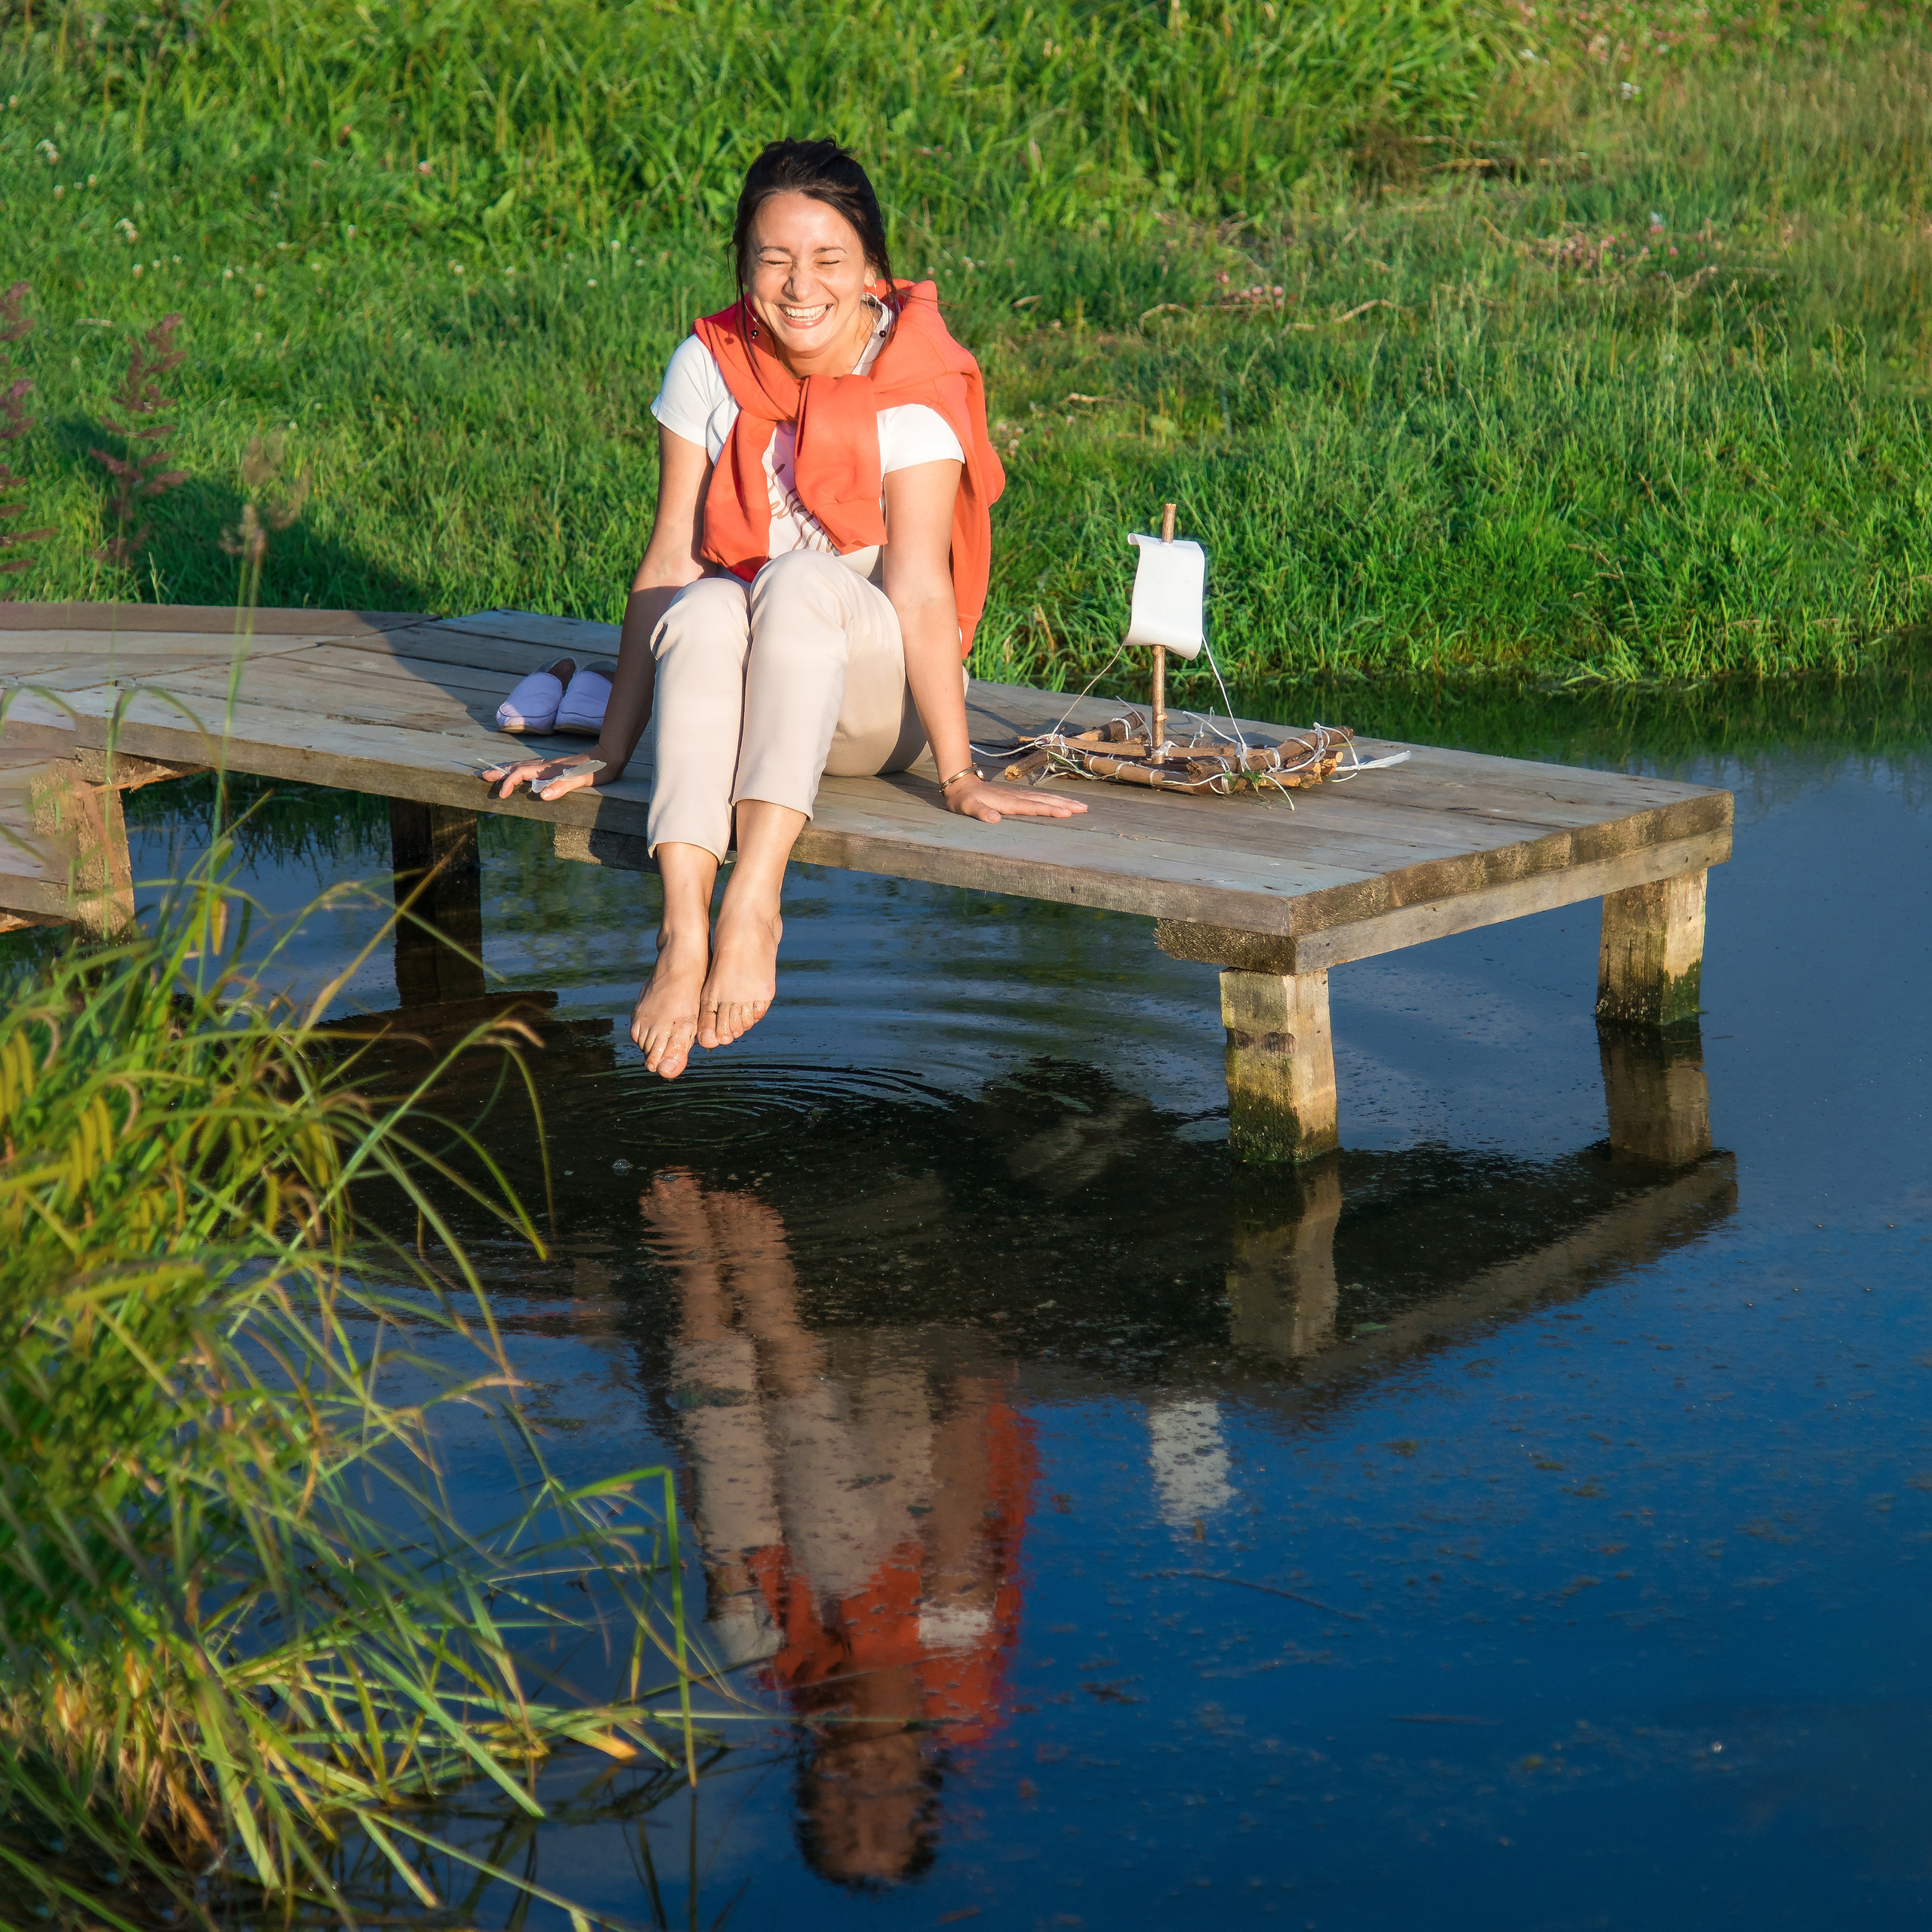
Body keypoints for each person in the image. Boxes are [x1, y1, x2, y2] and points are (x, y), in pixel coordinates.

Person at [481, 138, 1084, 1079]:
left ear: (873, 273)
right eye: (774, 259)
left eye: (828, 260)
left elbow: (923, 594)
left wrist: (960, 772)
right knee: (714, 597)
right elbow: (670, 556)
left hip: (875, 711)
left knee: (796, 581)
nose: (799, 286)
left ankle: (753, 901)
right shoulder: (707, 362)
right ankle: (684, 931)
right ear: (744, 269)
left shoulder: (913, 386)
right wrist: (609, 750)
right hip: (753, 687)